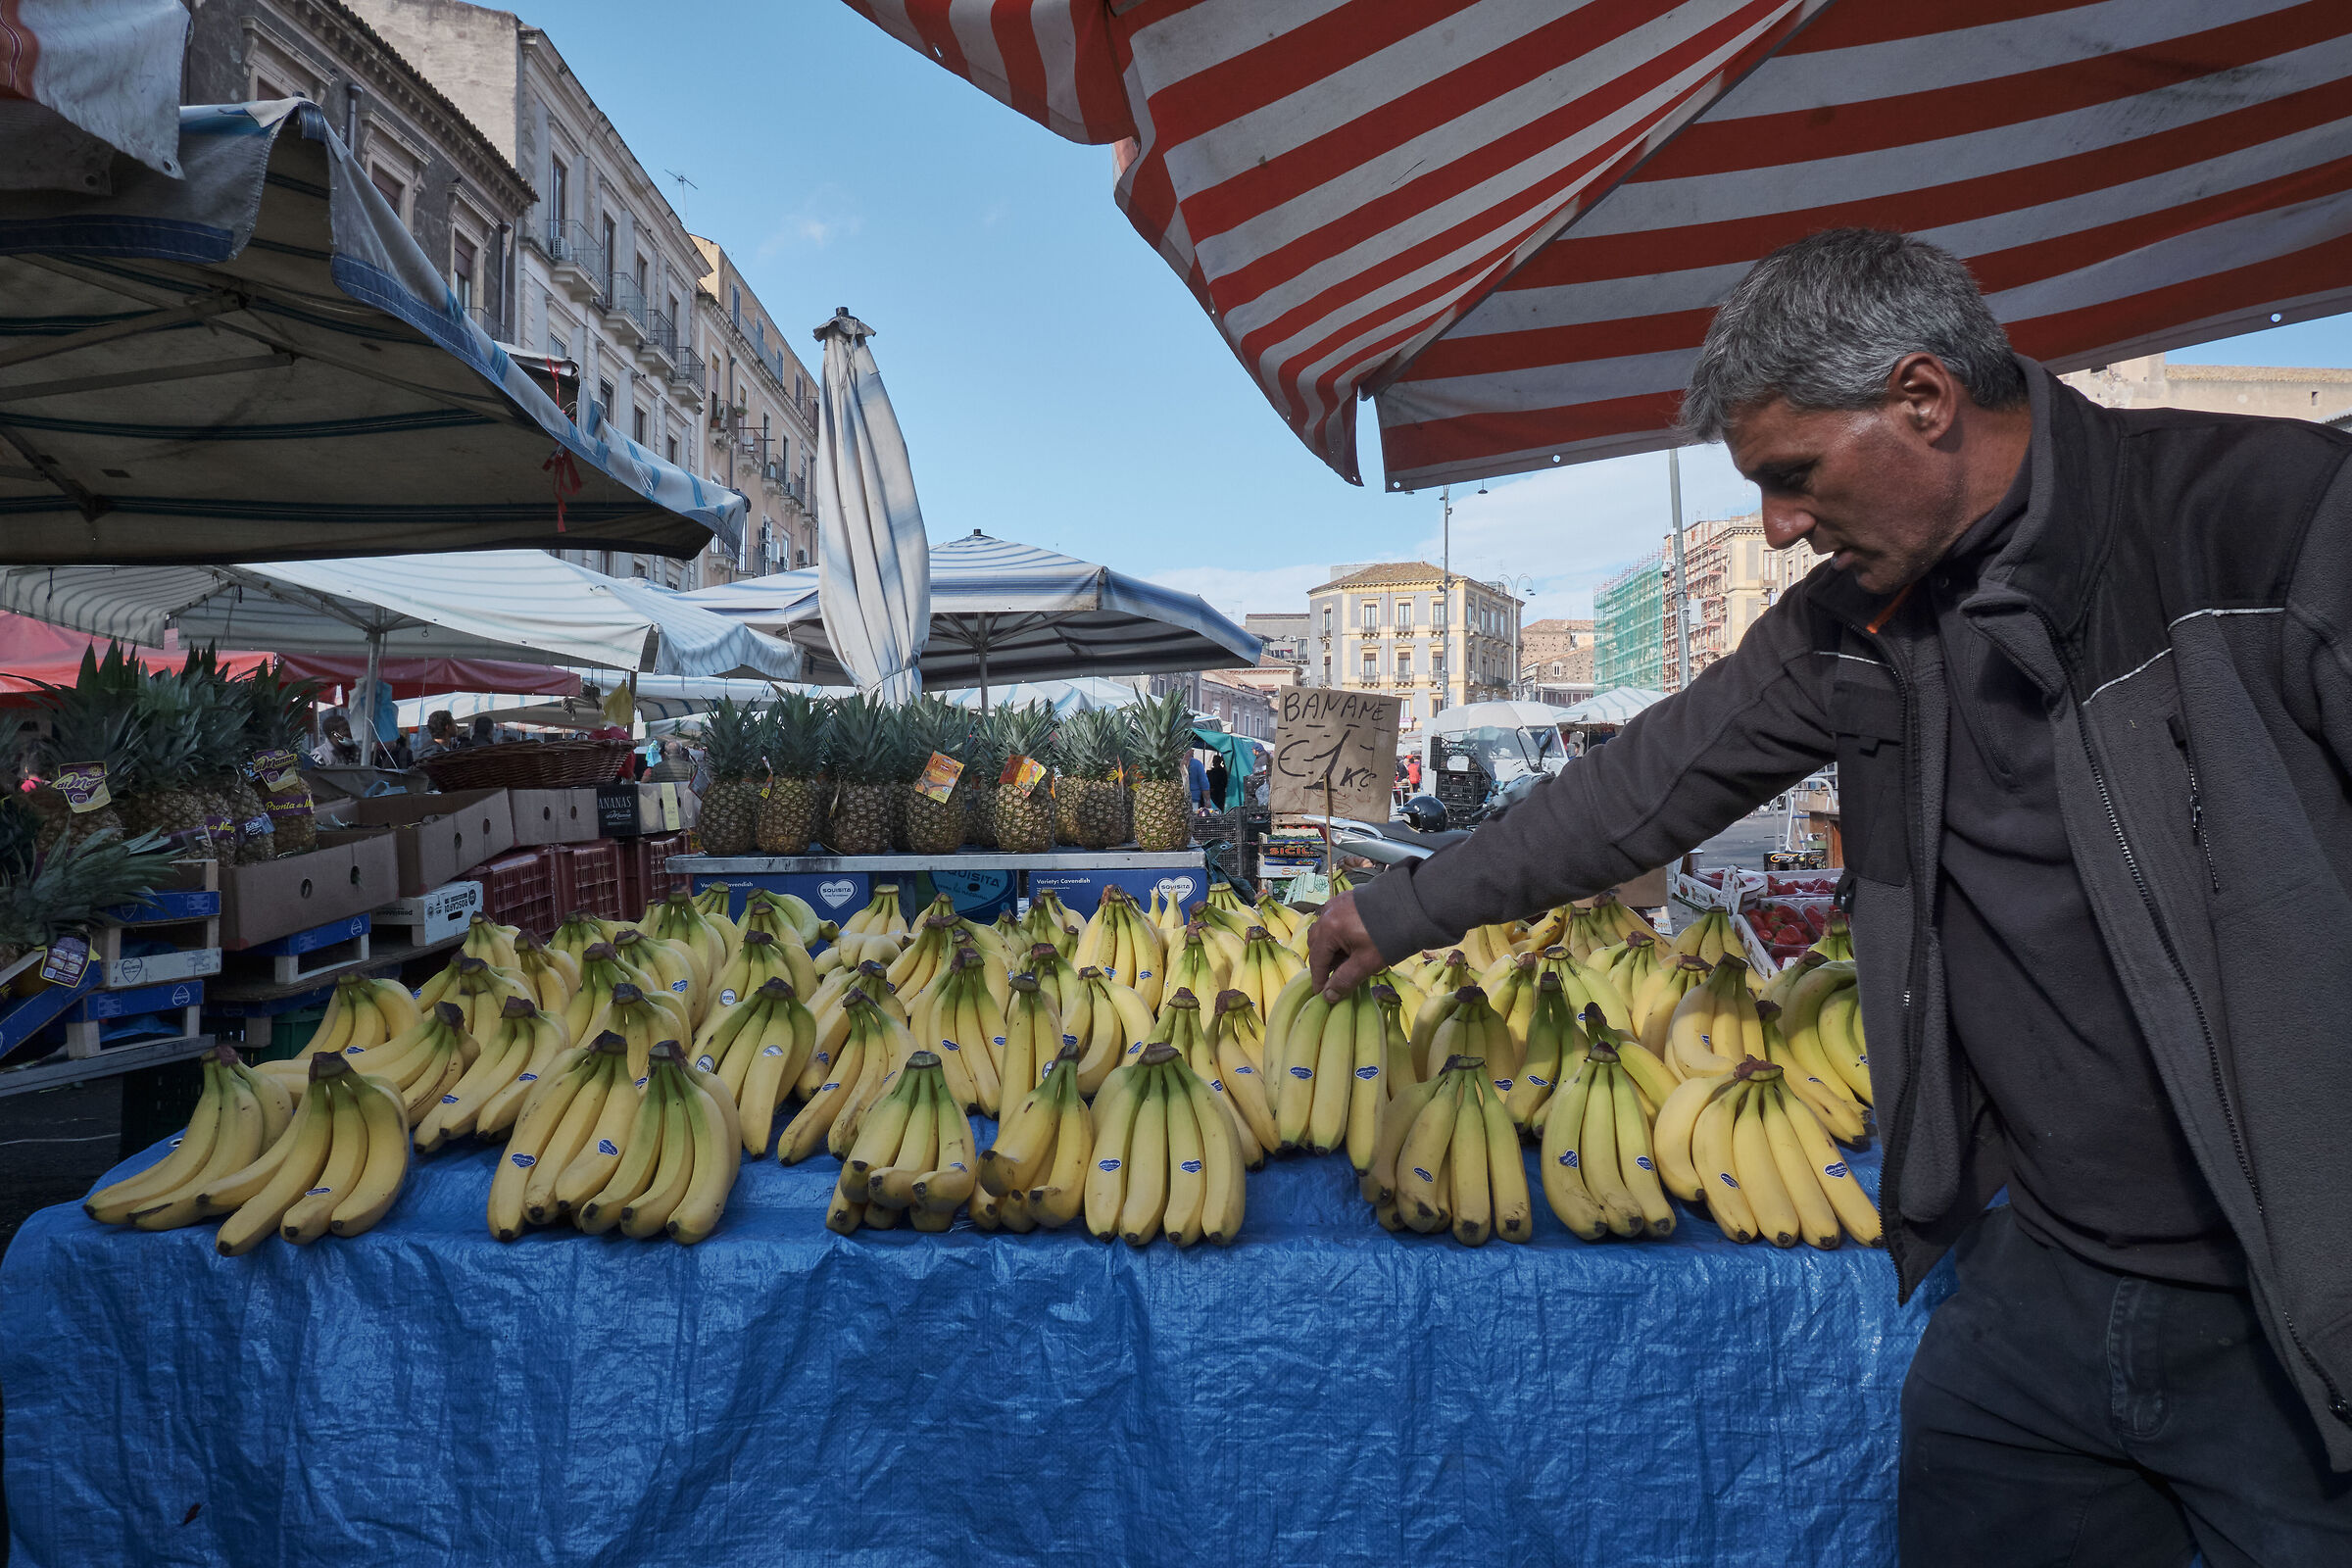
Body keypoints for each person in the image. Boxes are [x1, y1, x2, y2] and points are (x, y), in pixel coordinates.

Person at [1309, 229, 2352, 1564]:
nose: (1778, 527)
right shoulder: (1856, 623)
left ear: (1923, 401)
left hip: (2296, 1299)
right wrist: (1403, 910)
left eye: (1793, 478)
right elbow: (1648, 780)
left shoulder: (2266, 519)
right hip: (2045, 1281)